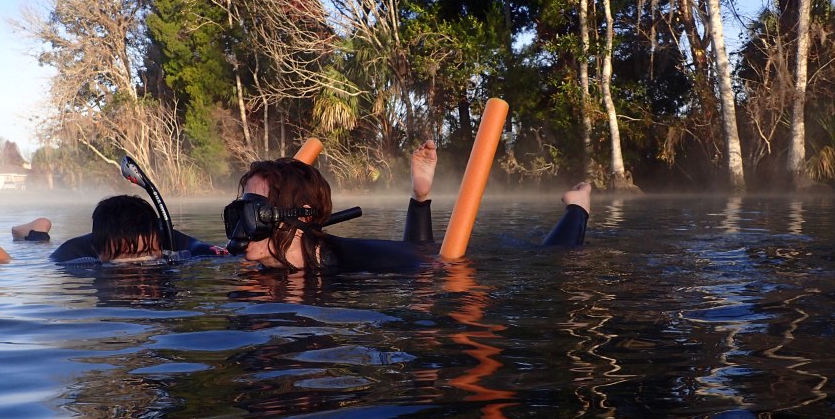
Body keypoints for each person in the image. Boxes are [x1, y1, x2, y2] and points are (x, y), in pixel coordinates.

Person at [229, 140, 590, 274]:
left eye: (254, 210)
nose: (242, 225)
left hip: (436, 264)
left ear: (301, 216)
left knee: (553, 256)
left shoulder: (340, 265)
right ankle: (421, 194)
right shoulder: (271, 263)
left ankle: (578, 207)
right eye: (240, 210)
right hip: (416, 254)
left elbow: (422, 264)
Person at [50, 195, 228, 265]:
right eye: (123, 260)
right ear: (99, 253)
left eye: (147, 254)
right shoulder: (70, 254)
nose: (139, 278)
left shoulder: (167, 239)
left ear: (159, 246)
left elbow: (207, 250)